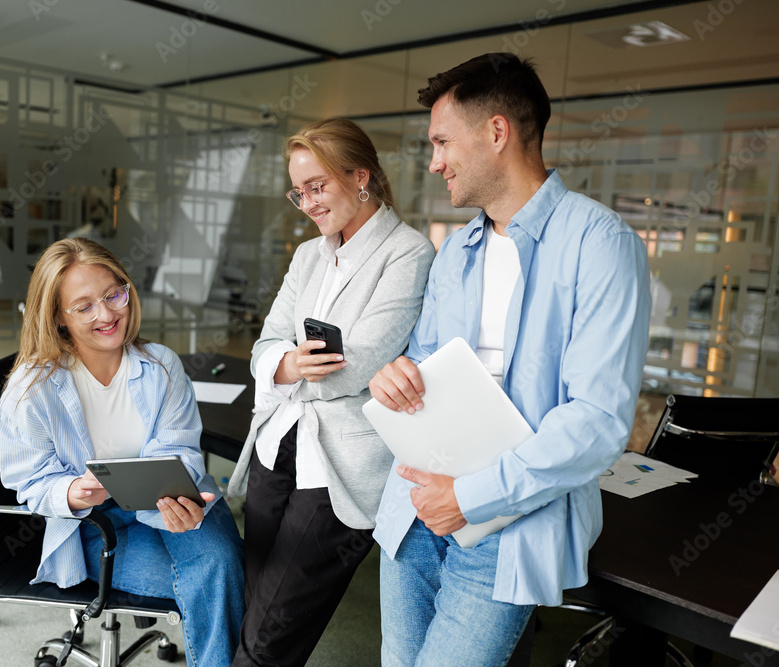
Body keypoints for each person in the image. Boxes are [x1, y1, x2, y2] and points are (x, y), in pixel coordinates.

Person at [368, 53, 652, 666]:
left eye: (442, 141)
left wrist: (471, 496)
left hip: (506, 523)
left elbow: (598, 421)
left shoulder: (600, 245)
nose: (434, 161)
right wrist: (397, 375)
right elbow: (426, 365)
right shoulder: (456, 251)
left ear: (497, 133)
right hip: (415, 510)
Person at [226, 118, 435, 666]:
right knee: (254, 604)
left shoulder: (407, 254)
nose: (308, 203)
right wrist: (291, 363)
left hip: (342, 462)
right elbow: (265, 345)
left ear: (360, 177)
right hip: (279, 445)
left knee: (275, 625)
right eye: (299, 192)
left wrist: (290, 367)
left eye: (317, 186)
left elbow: (356, 365)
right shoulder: (307, 255)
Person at [0, 238, 244, 666]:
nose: (108, 314)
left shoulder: (162, 365)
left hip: (178, 506)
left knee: (222, 571)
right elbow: (29, 482)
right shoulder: (30, 391)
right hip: (98, 526)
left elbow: (180, 449)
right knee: (222, 585)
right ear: (57, 316)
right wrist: (72, 491)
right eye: (85, 305)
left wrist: (177, 494)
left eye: (114, 294)